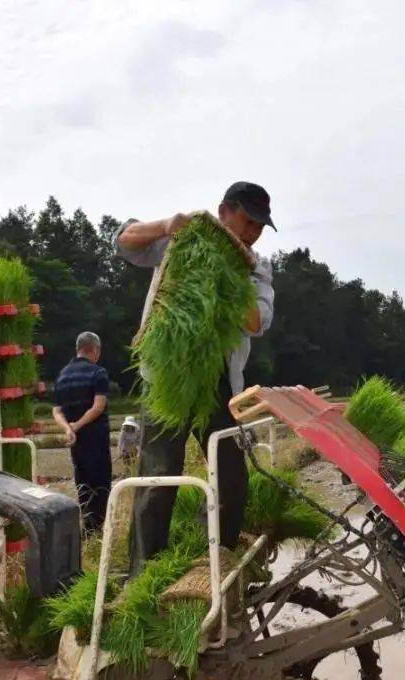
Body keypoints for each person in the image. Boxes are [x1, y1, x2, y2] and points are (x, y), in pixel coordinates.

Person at [113, 181, 276, 576]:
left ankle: (215, 562)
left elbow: (257, 321)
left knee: (232, 476)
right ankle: (144, 575)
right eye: (248, 221)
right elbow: (124, 241)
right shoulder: (183, 239)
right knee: (158, 476)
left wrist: (228, 271)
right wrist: (169, 225)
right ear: (224, 211)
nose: (253, 232)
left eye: (260, 226)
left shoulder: (257, 267)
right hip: (169, 374)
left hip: (220, 382)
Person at [52, 331, 112, 532]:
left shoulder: (62, 375)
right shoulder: (98, 372)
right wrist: (77, 425)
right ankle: (97, 530)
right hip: (96, 438)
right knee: (101, 484)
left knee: (83, 483)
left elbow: (57, 410)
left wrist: (68, 428)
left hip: (76, 441)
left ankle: (87, 526)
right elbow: (98, 406)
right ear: (94, 350)